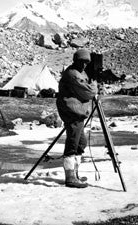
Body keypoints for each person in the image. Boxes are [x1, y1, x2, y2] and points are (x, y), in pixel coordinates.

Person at [56, 49, 98, 188]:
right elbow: (88, 92)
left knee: (81, 144)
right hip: (72, 112)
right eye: (82, 62)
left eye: (87, 62)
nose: (84, 65)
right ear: (75, 60)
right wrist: (95, 83)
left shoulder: (82, 72)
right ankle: (70, 178)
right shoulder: (73, 74)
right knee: (72, 144)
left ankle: (74, 173)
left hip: (78, 112)